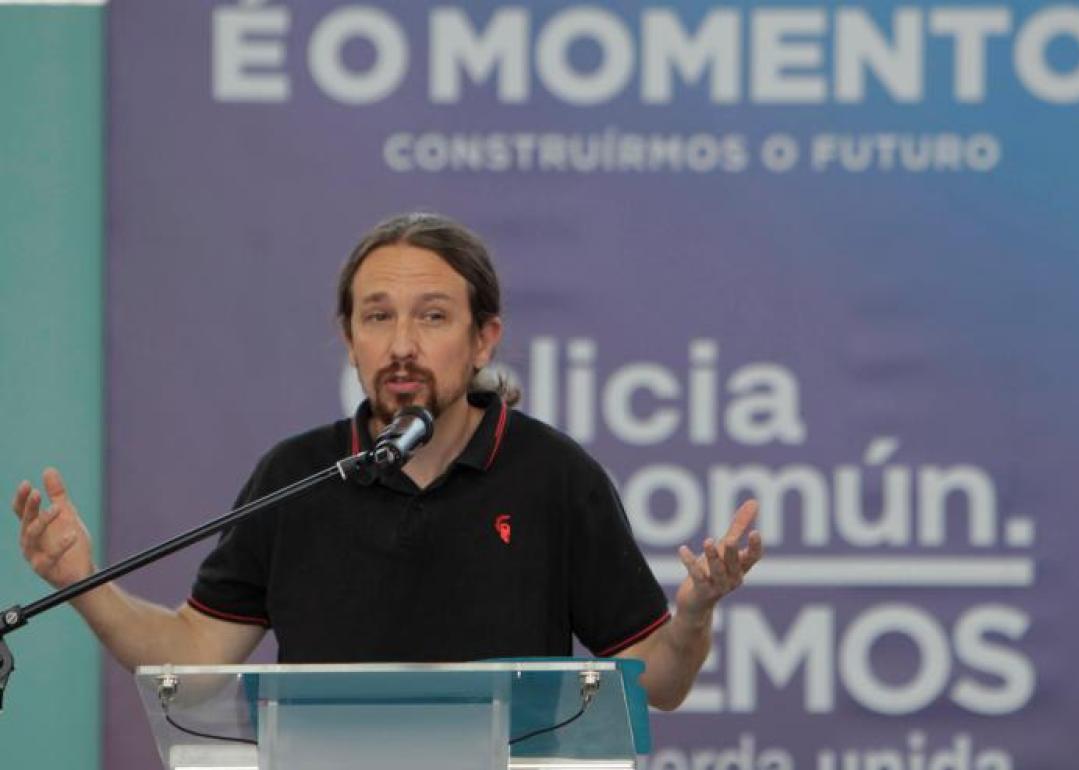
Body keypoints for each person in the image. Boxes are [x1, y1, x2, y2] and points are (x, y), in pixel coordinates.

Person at [10, 212, 763, 710]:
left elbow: (659, 682)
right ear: (350, 339)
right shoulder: (297, 476)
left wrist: (693, 617)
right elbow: (194, 658)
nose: (402, 344)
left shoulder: (554, 477)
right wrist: (82, 583)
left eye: (432, 316)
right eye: (377, 317)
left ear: (484, 339)